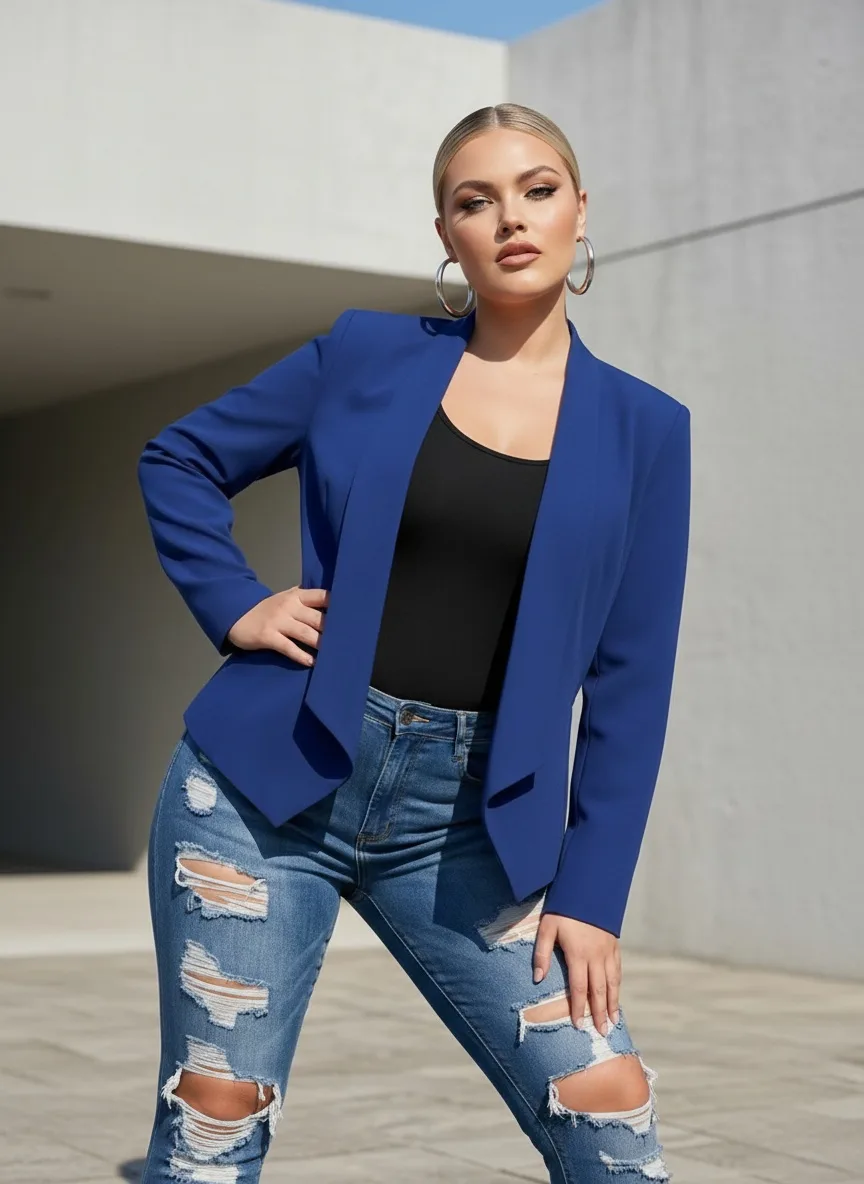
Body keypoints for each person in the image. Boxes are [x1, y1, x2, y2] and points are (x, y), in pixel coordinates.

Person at [137, 102, 689, 1184]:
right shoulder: (365, 354)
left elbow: (635, 672)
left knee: (607, 1111)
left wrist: (591, 892)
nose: (510, 219)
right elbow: (179, 457)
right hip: (264, 787)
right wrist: (237, 601)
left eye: (537, 189)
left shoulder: (645, 429)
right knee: (216, 1120)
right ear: (447, 234)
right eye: (474, 201)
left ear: (582, 212)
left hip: (466, 820)